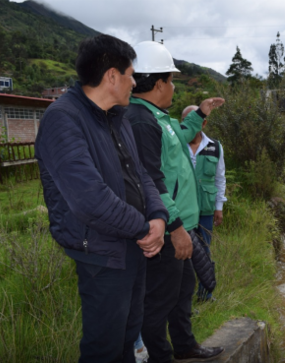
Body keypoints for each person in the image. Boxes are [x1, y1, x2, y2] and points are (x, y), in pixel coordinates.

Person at [35, 34, 168, 363]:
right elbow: (90, 200)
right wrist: (145, 229)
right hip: (102, 254)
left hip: (133, 246)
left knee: (127, 337)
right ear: (112, 76)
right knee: (103, 347)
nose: (134, 82)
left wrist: (159, 217)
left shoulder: (117, 118)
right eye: (131, 74)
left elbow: (142, 175)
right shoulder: (63, 120)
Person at [124, 40, 225, 363]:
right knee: (160, 300)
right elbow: (150, 179)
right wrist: (177, 227)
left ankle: (184, 346)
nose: (173, 86)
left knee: (182, 293)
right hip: (168, 228)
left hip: (182, 224)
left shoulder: (158, 116)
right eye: (171, 80)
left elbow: (180, 136)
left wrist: (201, 113)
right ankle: (161, 357)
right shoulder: (141, 121)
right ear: (157, 84)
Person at [182, 105, 227, 302]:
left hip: (206, 211)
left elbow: (220, 179)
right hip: (182, 211)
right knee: (182, 253)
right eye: (185, 121)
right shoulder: (176, 144)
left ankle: (205, 294)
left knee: (204, 252)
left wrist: (219, 207)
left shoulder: (215, 146)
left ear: (204, 123)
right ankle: (183, 297)